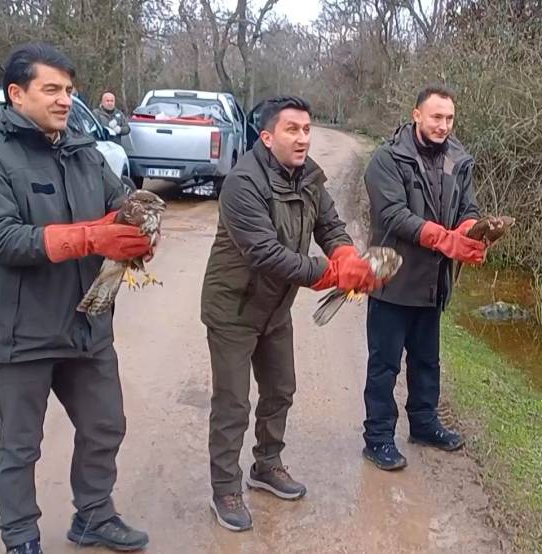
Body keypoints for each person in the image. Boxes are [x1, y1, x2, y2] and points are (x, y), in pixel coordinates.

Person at [0, 43, 151, 554]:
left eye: (69, 89)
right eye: (52, 89)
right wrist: (90, 237)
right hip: (20, 331)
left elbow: (118, 201)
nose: (65, 99)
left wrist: (137, 224)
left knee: (106, 424)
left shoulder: (81, 149)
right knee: (20, 446)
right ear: (17, 94)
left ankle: (94, 516)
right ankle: (20, 538)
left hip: (86, 323)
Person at [200, 95, 378, 532]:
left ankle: (267, 465)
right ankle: (225, 487)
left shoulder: (309, 178)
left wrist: (347, 257)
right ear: (266, 136)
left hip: (275, 309)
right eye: (291, 130)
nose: (302, 138)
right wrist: (330, 274)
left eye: (306, 129)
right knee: (233, 403)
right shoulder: (243, 183)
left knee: (281, 389)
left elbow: (331, 225)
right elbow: (265, 253)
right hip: (233, 308)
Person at [361, 84, 487, 471]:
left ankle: (424, 424)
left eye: (449, 118)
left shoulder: (458, 160)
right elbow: (393, 216)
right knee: (384, 365)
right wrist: (445, 240)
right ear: (416, 115)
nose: (443, 125)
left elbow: (468, 207)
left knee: (427, 361)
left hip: (433, 282)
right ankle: (378, 438)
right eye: (436, 117)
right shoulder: (386, 159)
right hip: (391, 277)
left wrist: (471, 231)